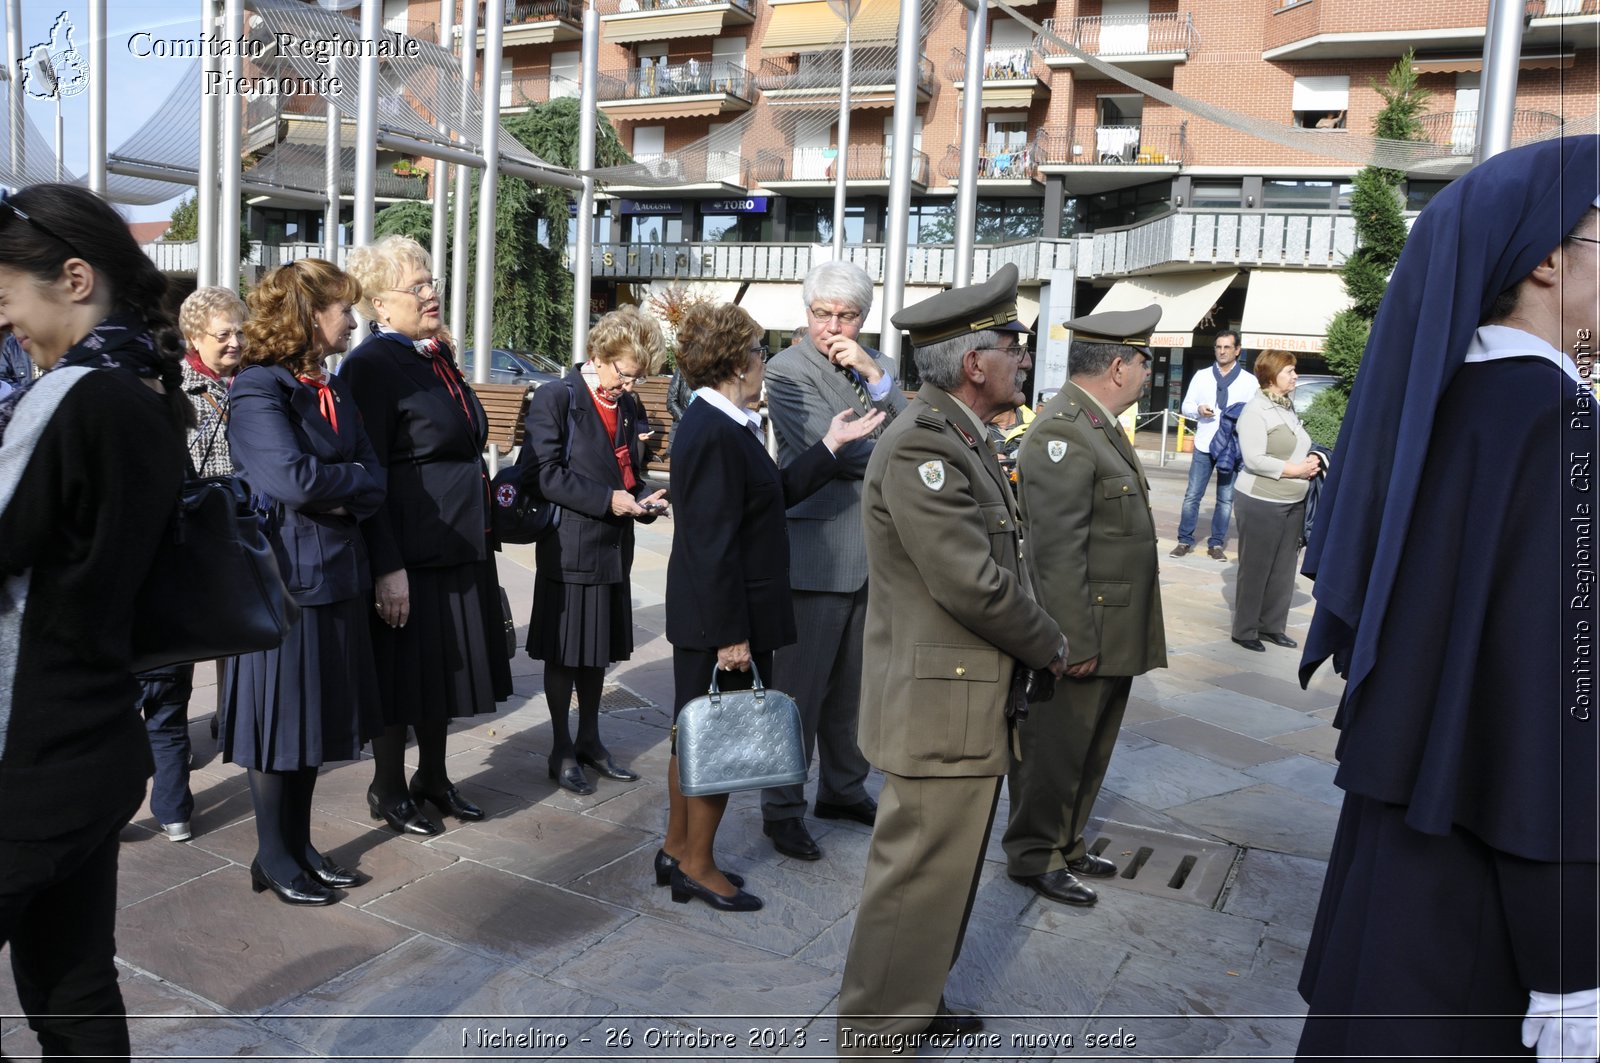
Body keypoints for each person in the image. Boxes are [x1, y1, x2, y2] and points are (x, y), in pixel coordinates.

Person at [1295, 136, 1599, 1060]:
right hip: (1489, 926)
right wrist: (1573, 962)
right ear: (1548, 257)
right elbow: (1559, 712)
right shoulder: (1560, 429)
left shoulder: (1455, 413)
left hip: (1402, 893)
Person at [837, 264, 1068, 1047]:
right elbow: (972, 582)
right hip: (941, 704)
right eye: (1014, 343)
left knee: (946, 878)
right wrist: (1051, 642)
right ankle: (875, 1031)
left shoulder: (959, 435)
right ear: (975, 363)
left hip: (963, 699)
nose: (1023, 357)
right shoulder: (922, 448)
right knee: (916, 880)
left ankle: (917, 1000)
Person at [0, 183, 191, 1057]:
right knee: (75, 987)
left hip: (21, 751)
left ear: (74, 278)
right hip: (94, 741)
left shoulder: (67, 398)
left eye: (7, 298)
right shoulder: (146, 392)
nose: (6, 324)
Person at [663, 302, 883, 911]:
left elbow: (771, 495)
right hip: (722, 619)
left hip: (722, 613)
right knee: (718, 743)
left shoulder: (727, 422)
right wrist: (731, 636)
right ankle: (698, 865)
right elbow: (711, 546)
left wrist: (832, 445)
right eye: (759, 352)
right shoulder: (712, 431)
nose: (764, 361)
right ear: (736, 362)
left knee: (694, 734)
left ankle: (677, 848)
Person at [223, 259, 386, 906]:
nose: (352, 318)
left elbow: (375, 476)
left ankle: (299, 844)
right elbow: (290, 481)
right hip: (284, 583)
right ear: (307, 315)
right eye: (342, 308)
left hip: (337, 573)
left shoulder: (333, 385)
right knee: (280, 725)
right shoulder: (258, 387)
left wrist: (344, 486)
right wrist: (349, 483)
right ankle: (273, 853)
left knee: (312, 724)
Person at [342, 236, 511, 834]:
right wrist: (387, 565)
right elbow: (370, 470)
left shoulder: (431, 356)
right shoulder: (371, 366)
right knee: (401, 674)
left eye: (431, 281)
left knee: (445, 670)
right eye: (416, 287)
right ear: (379, 306)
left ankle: (433, 778)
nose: (431, 292)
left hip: (458, 544)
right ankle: (387, 786)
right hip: (410, 551)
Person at [1003, 305, 1166, 909]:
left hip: (1114, 625)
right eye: (1145, 362)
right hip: (1084, 629)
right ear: (1120, 366)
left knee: (1091, 747)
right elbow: (1055, 551)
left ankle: (1066, 842)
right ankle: (1034, 853)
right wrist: (1072, 641)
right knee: (1057, 749)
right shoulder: (1063, 431)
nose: (1148, 374)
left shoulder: (1095, 425)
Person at [759, 260, 906, 861]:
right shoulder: (786, 369)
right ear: (807, 312)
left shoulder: (879, 370)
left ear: (864, 317)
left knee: (854, 691)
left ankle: (843, 789)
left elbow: (916, 429)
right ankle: (782, 808)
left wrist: (874, 374)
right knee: (797, 693)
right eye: (823, 314)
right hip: (816, 554)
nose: (833, 326)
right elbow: (833, 451)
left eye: (846, 315)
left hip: (873, 556)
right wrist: (897, 452)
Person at [517, 305, 666, 795]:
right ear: (600, 354)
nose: (630, 386)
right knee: (565, 652)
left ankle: (590, 740)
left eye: (637, 378)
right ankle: (561, 747)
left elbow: (626, 469)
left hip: (612, 543)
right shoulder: (557, 397)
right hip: (571, 545)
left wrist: (643, 498)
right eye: (626, 374)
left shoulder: (625, 404)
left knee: (597, 650)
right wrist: (609, 500)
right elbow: (544, 473)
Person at [135, 285, 250, 845]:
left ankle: (231, 723)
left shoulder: (246, 381)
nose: (235, 342)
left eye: (239, 331)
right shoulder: (182, 389)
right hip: (197, 530)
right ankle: (167, 786)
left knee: (236, 637)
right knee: (175, 664)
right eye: (223, 334)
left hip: (234, 527)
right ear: (194, 339)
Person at [1230, 349, 1321, 653]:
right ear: (1271, 376)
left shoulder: (1286, 407)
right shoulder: (1256, 410)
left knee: (1283, 568)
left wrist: (1311, 461)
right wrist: (1296, 470)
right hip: (1260, 499)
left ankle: (1272, 627)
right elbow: (1254, 459)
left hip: (1293, 499)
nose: (1295, 375)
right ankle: (1245, 630)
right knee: (1256, 568)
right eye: (1289, 371)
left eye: (1295, 370)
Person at [1173, 328, 1258, 560]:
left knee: (1225, 498)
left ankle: (1217, 543)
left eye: (1227, 347)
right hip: (1204, 443)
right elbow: (1186, 406)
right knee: (1193, 494)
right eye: (1218, 347)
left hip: (1230, 447)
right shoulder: (1202, 376)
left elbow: (1254, 415)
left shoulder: (1250, 382)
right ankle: (1184, 540)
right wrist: (1198, 409)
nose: (1222, 351)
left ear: (1237, 350)